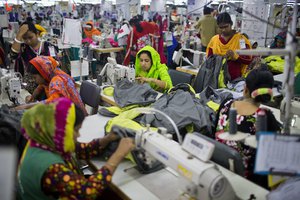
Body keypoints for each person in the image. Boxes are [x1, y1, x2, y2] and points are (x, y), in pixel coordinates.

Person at [18, 97, 135, 199]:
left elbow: (80, 149)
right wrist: (118, 155)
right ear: (62, 129)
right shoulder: (50, 168)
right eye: (76, 130)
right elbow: (88, 192)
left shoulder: (45, 140)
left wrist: (107, 138)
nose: (79, 135)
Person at [215, 67, 281, 186]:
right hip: (246, 180)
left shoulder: (226, 104)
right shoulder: (265, 117)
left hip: (218, 168)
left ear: (245, 89)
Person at [14, 56, 87, 115]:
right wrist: (32, 98)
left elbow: (54, 101)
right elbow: (41, 86)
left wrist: (26, 106)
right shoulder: (52, 73)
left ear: (43, 73)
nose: (33, 80)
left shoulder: (57, 80)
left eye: (34, 77)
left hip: (77, 119)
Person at [10, 21, 58, 93]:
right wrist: (19, 34)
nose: (28, 41)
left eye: (30, 37)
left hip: (47, 87)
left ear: (37, 34)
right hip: (29, 89)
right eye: (25, 38)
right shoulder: (23, 48)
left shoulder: (48, 47)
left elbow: (56, 66)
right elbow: (13, 55)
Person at [206, 12, 252, 80]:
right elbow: (209, 59)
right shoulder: (214, 40)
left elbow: (248, 59)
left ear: (231, 24)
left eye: (226, 26)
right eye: (221, 27)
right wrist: (219, 58)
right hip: (216, 78)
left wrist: (236, 57)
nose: (223, 30)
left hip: (234, 79)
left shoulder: (240, 39)